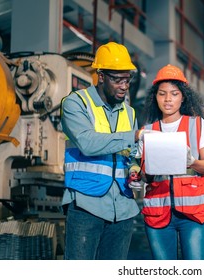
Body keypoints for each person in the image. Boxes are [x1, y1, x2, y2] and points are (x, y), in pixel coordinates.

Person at [60, 42, 141, 260]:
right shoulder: (76, 104)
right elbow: (87, 143)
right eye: (118, 80)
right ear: (101, 76)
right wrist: (132, 137)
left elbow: (131, 155)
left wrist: (135, 168)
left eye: (127, 79)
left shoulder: (130, 113)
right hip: (86, 204)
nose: (124, 86)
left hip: (123, 207)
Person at [135, 64, 204, 260]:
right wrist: (138, 175)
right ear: (155, 97)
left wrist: (192, 161)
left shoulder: (196, 124)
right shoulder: (147, 130)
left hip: (194, 215)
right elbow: (143, 173)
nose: (168, 99)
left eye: (174, 93)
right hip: (158, 213)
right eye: (162, 94)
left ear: (183, 97)